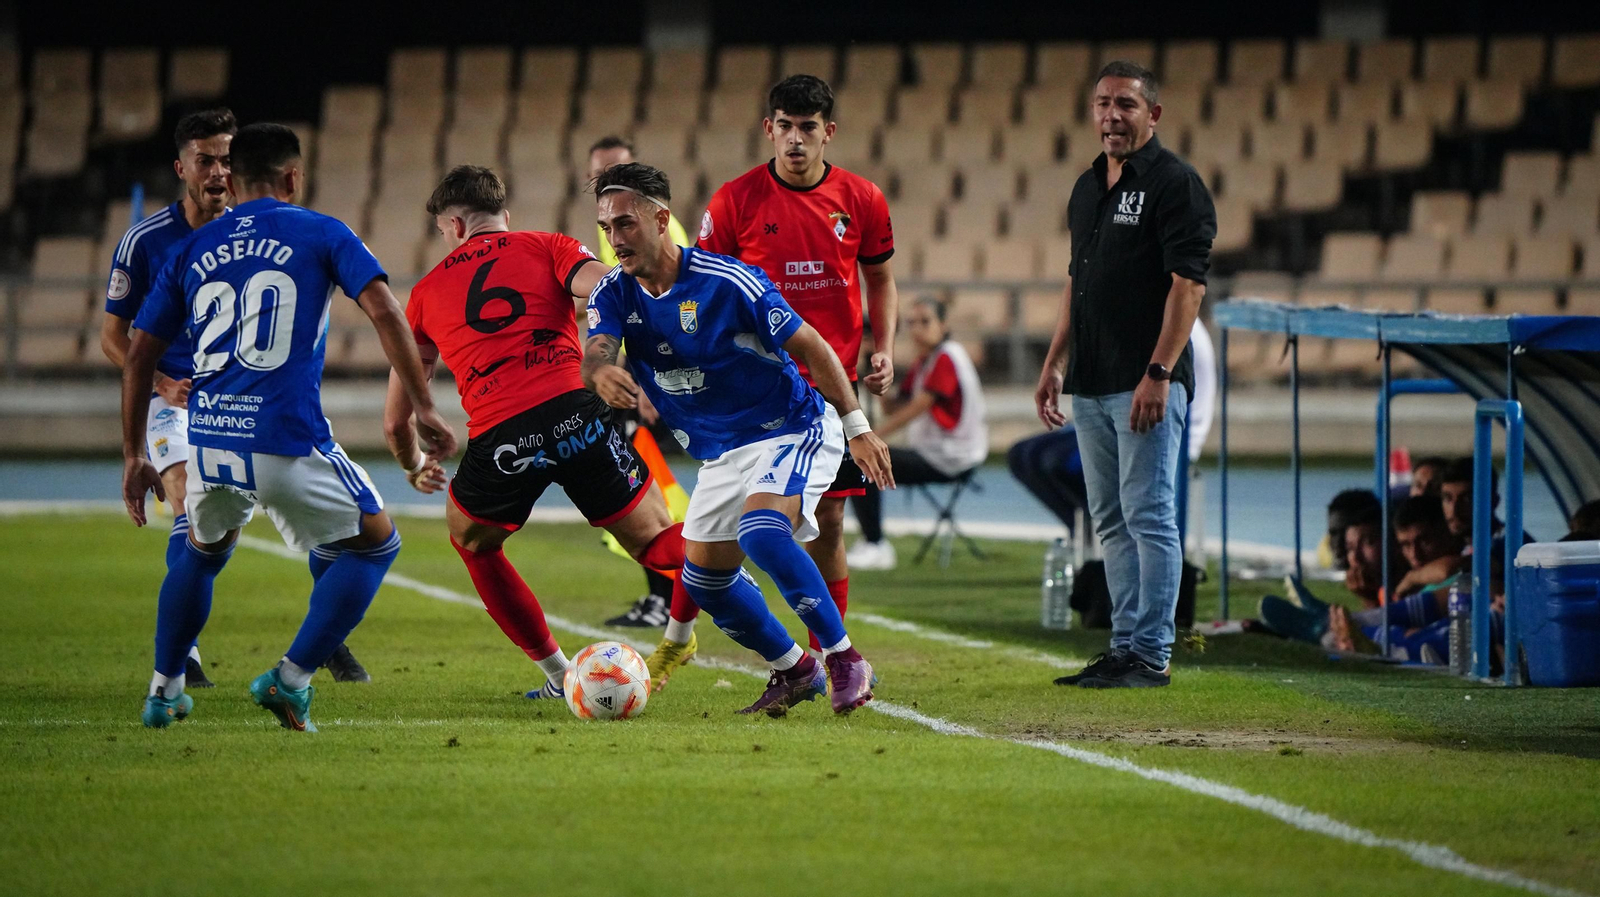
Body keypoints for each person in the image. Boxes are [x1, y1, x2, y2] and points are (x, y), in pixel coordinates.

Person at [121, 123, 457, 730]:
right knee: (376, 543)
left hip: (210, 437)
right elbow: (385, 310)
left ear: (231, 180)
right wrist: (424, 404)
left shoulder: (193, 247)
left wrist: (130, 453)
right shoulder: (323, 231)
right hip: (283, 434)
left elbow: (138, 353)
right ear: (293, 177)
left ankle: (163, 692)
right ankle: (291, 678)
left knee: (201, 551)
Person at [583, 162, 892, 715]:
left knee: (764, 533)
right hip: (721, 452)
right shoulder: (613, 292)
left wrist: (858, 428)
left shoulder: (728, 281)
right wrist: (601, 370)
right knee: (705, 581)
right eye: (607, 227)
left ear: (661, 219)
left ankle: (844, 658)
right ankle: (794, 669)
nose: (615, 238)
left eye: (626, 223)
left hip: (789, 426)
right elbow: (597, 349)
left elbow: (812, 346)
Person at [383, 165, 689, 700]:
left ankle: (558, 675)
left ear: (455, 226)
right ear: (504, 216)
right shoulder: (548, 245)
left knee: (472, 541)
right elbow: (612, 286)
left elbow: (395, 420)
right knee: (658, 541)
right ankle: (751, 566)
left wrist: (414, 464)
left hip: (504, 439)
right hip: (577, 414)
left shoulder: (426, 294)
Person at [695, 73, 899, 655]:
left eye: (807, 128)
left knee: (829, 523)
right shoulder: (733, 201)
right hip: (757, 389)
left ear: (828, 132)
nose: (795, 139)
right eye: (785, 126)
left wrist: (884, 345)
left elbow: (881, 279)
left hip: (832, 387)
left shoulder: (862, 199)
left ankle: (825, 654)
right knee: (746, 529)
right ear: (769, 128)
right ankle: (693, 632)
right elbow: (706, 290)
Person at [1034, 61, 1216, 689]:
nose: (1112, 115)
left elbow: (1188, 287)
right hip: (1091, 380)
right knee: (1110, 520)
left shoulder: (1176, 183)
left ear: (1153, 115)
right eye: (1103, 104)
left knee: (1149, 517)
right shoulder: (1087, 188)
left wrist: (1159, 373)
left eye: (1127, 105)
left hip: (1145, 382)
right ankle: (1123, 648)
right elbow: (1077, 282)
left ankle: (1151, 654)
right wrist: (1055, 361)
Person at [587, 135, 694, 630]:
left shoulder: (657, 227)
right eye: (598, 173)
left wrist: (653, 380)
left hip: (652, 376)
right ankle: (669, 593)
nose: (605, 180)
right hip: (632, 375)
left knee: (644, 487)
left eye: (615, 170)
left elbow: (673, 306)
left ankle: (672, 594)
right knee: (635, 484)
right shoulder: (614, 228)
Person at [1009, 318, 1215, 541]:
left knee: (1056, 461)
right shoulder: (1150, 315)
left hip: (1164, 432)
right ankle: (1087, 534)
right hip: (1126, 420)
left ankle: (1106, 531)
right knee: (1023, 454)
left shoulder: (1174, 323)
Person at [846, 296, 987, 570]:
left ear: (943, 325)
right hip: (938, 452)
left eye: (925, 322)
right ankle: (872, 541)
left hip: (951, 456)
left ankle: (875, 544)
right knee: (863, 460)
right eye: (911, 323)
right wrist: (873, 366)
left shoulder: (947, 357)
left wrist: (869, 438)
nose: (917, 329)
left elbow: (918, 407)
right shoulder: (926, 361)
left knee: (862, 460)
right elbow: (893, 407)